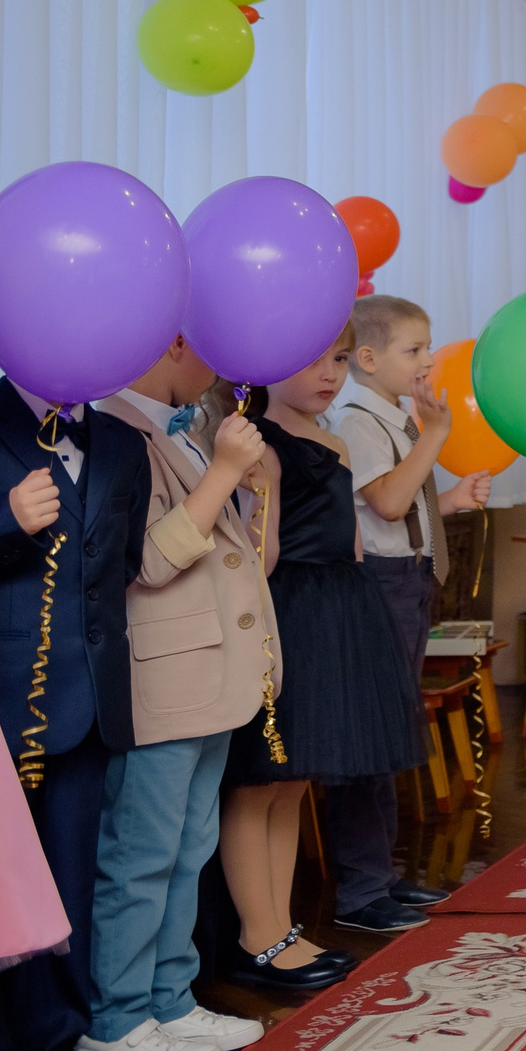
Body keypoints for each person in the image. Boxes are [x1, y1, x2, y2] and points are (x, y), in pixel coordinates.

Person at [0, 301, 173, 1051]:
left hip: (88, 701)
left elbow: (118, 567)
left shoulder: (122, 443)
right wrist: (11, 518)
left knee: (65, 892)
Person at [78, 337, 282, 1051]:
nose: (223, 358)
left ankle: (170, 996)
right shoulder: (116, 432)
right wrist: (223, 471)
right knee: (141, 856)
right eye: (207, 342)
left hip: (212, 676)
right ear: (170, 346)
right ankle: (118, 1018)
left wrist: (243, 481)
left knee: (187, 850)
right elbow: (149, 558)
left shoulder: (189, 427)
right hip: (164, 680)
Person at [217, 328, 418, 989]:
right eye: (311, 357)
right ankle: (260, 934)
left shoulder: (330, 440)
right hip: (287, 615)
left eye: (336, 359)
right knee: (260, 780)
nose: (329, 372)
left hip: (335, 611)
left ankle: (282, 928)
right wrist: (256, 490)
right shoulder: (262, 446)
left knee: (293, 780)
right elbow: (261, 555)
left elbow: (352, 541)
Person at [322, 295, 492, 933]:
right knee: (373, 732)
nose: (426, 363)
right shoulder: (357, 421)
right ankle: (362, 888)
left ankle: (382, 877)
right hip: (381, 584)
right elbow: (389, 503)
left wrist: (446, 502)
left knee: (392, 732)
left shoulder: (390, 417)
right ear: (367, 359)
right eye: (413, 351)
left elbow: (403, 505)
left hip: (407, 577)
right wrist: (438, 434)